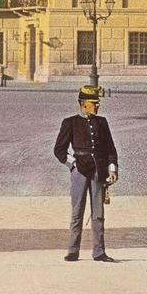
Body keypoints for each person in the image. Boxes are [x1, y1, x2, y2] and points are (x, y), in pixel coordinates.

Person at [53, 85, 119, 261]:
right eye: (93, 103)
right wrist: (73, 164)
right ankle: (73, 250)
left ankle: (99, 251)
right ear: (83, 104)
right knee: (77, 212)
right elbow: (59, 150)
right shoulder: (70, 123)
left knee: (98, 214)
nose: (97, 106)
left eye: (97, 103)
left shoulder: (102, 122)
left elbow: (110, 149)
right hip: (79, 172)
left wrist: (112, 170)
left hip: (99, 171)